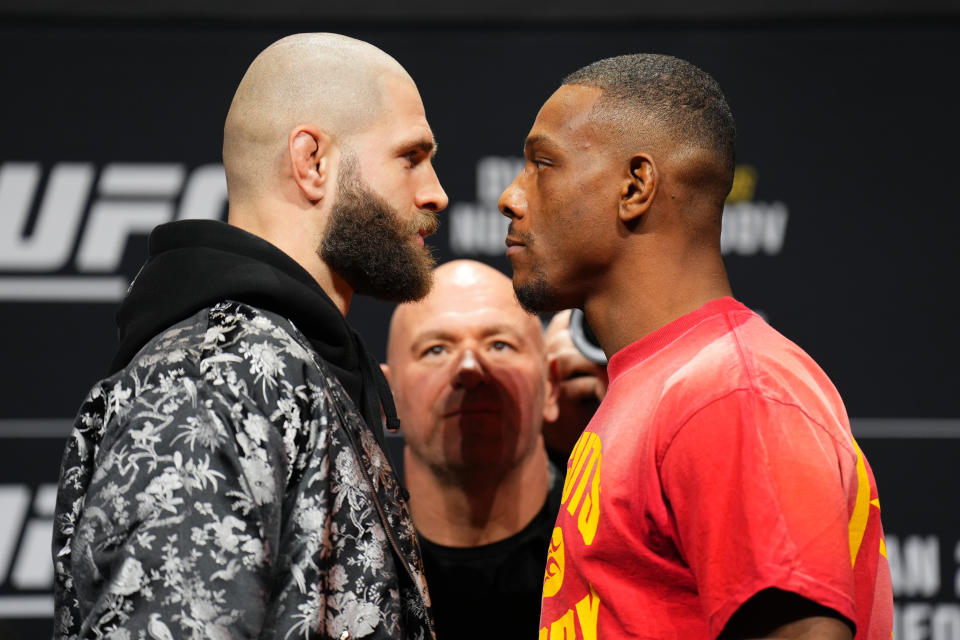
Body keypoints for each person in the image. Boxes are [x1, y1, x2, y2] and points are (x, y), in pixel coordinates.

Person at [52, 33, 447, 640]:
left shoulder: (286, 363)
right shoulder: (218, 376)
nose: (435, 192)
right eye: (411, 157)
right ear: (312, 162)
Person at [498, 54, 892, 639]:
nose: (511, 197)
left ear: (635, 186)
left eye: (542, 164)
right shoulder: (658, 390)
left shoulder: (731, 391)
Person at [382, 259, 563, 638]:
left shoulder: (611, 546)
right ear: (388, 398)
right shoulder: (345, 566)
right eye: (435, 349)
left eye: (499, 344)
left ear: (552, 385)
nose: (469, 366)